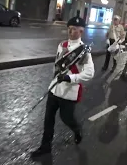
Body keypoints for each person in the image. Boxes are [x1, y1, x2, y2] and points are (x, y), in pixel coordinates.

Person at [31, 15, 95, 157]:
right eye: (69, 29)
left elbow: (89, 73)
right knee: (48, 120)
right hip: (54, 89)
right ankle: (45, 146)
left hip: (68, 92)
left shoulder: (84, 52)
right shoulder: (62, 45)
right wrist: (54, 79)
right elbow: (57, 65)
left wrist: (69, 77)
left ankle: (77, 129)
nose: (71, 32)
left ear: (81, 32)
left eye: (74, 30)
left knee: (67, 118)